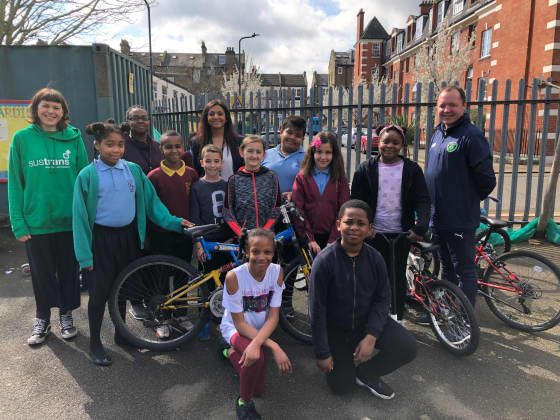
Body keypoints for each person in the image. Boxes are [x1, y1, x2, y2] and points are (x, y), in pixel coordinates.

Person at [72, 122, 191, 366]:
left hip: (128, 238)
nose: (116, 150)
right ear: (96, 145)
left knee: (123, 290)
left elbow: (152, 205)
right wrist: (85, 257)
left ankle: (121, 335)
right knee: (99, 295)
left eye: (120, 145)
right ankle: (95, 342)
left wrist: (176, 222)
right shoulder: (88, 175)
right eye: (109, 145)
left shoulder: (134, 171)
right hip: (100, 241)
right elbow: (80, 219)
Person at [309, 199, 417, 399]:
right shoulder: (324, 262)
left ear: (370, 229)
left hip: (366, 324)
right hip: (338, 331)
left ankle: (366, 372)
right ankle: (344, 361)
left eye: (361, 223)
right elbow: (316, 311)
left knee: (407, 347)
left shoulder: (375, 259)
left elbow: (382, 299)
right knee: (342, 387)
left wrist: (371, 336)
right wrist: (322, 353)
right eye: (349, 222)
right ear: (338, 224)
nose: (354, 228)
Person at [8, 87, 88, 346]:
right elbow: (15, 184)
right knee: (42, 274)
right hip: (36, 221)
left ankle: (66, 315)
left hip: (68, 221)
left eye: (57, 107)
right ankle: (43, 317)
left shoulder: (74, 138)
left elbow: (83, 180)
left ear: (63, 111)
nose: (51, 111)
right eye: (46, 106)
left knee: (68, 271)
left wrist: (85, 219)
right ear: (35, 109)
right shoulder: (21, 139)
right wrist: (18, 222)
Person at [425, 86, 496, 308]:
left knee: (464, 270)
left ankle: (465, 318)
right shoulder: (438, 132)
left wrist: (463, 200)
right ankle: (448, 310)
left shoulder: (471, 136)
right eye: (442, 105)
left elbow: (487, 180)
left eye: (452, 105)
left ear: (464, 107)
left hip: (459, 219)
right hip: (438, 218)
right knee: (447, 267)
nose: (446, 109)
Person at [351, 125, 430, 323]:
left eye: (395, 142)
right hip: (373, 235)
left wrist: (420, 226)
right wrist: (365, 227)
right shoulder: (366, 168)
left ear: (402, 145)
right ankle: (369, 318)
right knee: (370, 277)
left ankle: (397, 317)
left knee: (396, 277)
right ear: (379, 141)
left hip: (401, 234)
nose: (389, 146)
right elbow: (357, 201)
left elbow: (423, 200)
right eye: (386, 141)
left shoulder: (412, 170)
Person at [219, 228, 292, 420]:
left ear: (274, 252)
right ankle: (243, 403)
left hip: (259, 330)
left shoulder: (277, 272)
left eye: (267, 252)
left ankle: (230, 353)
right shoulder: (234, 277)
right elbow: (240, 323)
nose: (262, 257)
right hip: (235, 328)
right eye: (255, 251)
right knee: (256, 358)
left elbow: (273, 317)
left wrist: (259, 341)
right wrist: (273, 345)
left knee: (258, 389)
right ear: (246, 251)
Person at [291, 131, 350, 255]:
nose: (323, 157)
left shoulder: (340, 179)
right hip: (309, 240)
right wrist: (309, 239)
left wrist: (334, 239)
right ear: (312, 153)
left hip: (333, 239)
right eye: (319, 152)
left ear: (334, 154)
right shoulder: (301, 178)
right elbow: (298, 211)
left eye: (328, 152)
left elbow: (344, 211)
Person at [147, 130, 198, 261]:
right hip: (161, 233)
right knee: (162, 271)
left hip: (185, 231)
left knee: (183, 271)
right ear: (161, 149)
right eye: (168, 147)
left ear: (183, 147)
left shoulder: (191, 174)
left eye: (178, 146)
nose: (174, 150)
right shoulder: (153, 176)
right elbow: (151, 206)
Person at [223, 135, 281, 238]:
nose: (254, 156)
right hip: (243, 238)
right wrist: (240, 232)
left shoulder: (272, 177)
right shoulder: (234, 180)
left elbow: (276, 208)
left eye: (258, 152)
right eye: (250, 151)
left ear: (264, 155)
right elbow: (228, 211)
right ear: (241, 152)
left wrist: (265, 230)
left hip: (266, 236)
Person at [190, 144, 231, 265]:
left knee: (228, 279)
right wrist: (198, 245)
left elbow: (233, 213)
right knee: (210, 279)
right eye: (208, 161)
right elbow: (195, 218)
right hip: (207, 242)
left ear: (222, 163)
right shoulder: (196, 187)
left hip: (227, 241)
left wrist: (232, 237)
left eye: (216, 161)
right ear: (202, 163)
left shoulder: (228, 185)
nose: (212, 165)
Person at [190, 100, 244, 179]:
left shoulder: (239, 141)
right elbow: (196, 171)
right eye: (211, 114)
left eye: (220, 114)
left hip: (233, 190)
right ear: (206, 118)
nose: (216, 117)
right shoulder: (197, 142)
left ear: (226, 118)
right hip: (207, 190)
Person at [261, 115, 306, 199]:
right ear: (281, 132)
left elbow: (314, 190)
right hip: (266, 209)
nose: (292, 137)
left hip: (294, 209)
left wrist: (296, 195)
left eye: (297, 135)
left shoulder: (308, 159)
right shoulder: (265, 155)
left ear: (302, 139)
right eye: (289, 132)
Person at [122, 105, 163, 174]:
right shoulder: (122, 148)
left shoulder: (157, 146)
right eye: (135, 118)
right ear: (128, 122)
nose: (140, 121)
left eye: (144, 118)